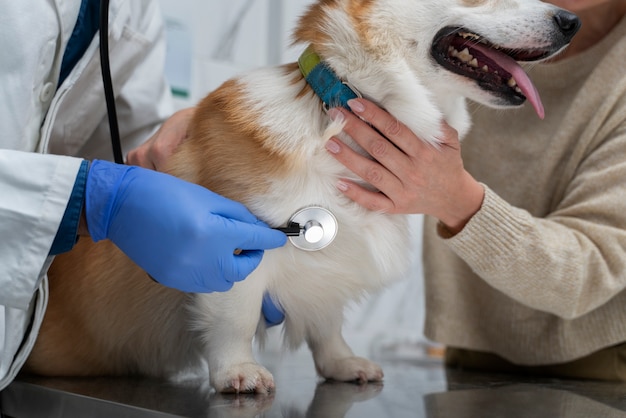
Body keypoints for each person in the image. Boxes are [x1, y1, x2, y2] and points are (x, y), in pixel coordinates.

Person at [326, 0, 626, 380]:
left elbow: (591, 268)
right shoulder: (464, 21)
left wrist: (457, 201)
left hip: (595, 366)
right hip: (469, 349)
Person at [0, 0, 285, 391]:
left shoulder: (131, 8)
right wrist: (86, 201)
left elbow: (136, 155)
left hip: (32, 354)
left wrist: (193, 139)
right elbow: (117, 193)